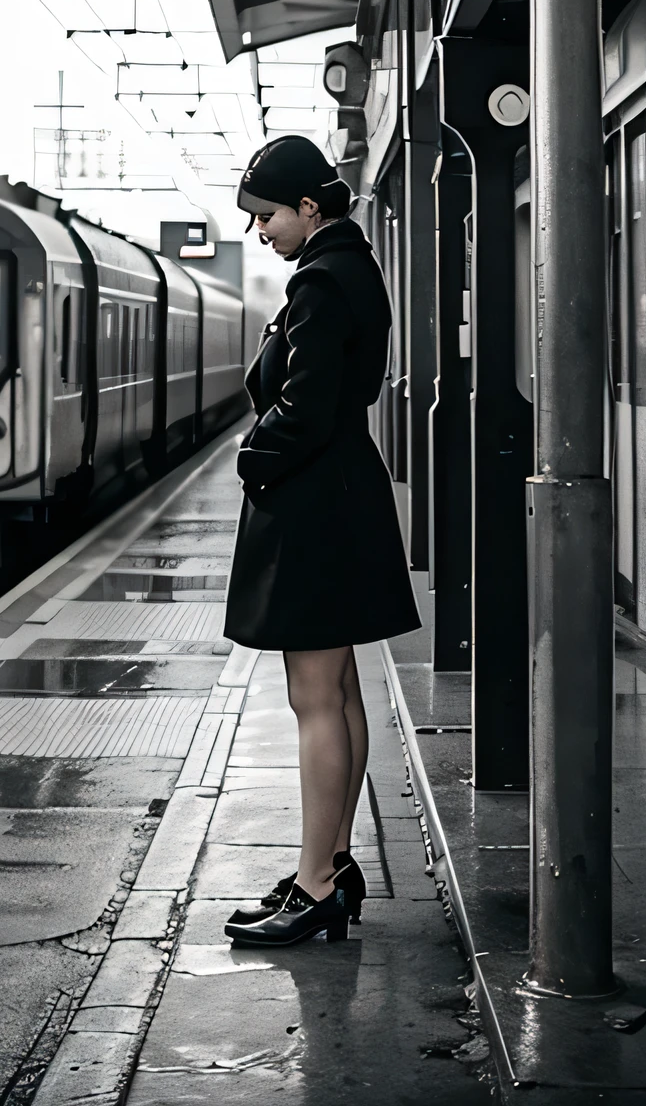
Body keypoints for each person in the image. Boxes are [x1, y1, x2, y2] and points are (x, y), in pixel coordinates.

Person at [222, 136, 420, 948]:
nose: (259, 231)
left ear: (310, 205)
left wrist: (251, 455)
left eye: (266, 215)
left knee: (315, 699)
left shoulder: (323, 281)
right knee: (338, 692)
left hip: (313, 502)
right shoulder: (347, 268)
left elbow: (304, 407)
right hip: (340, 493)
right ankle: (332, 865)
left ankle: (315, 884)